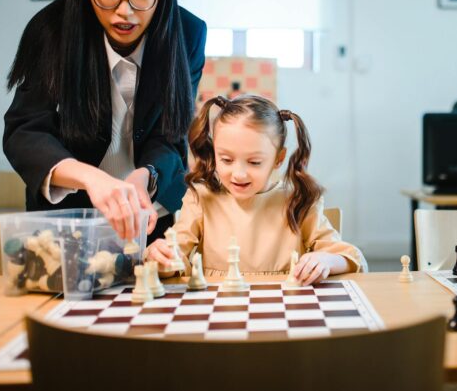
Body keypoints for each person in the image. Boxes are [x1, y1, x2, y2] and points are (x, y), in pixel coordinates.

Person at [4, 0, 207, 244]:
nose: (124, 12)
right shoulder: (52, 31)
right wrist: (91, 178)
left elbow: (171, 134)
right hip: (67, 218)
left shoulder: (187, 34)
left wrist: (146, 176)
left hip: (146, 213)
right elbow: (25, 130)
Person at [146, 95, 366, 285]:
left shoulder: (298, 200)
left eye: (254, 162)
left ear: (279, 159)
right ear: (214, 152)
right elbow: (174, 262)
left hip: (285, 312)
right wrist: (161, 258)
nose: (239, 173)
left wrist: (327, 260)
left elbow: (352, 258)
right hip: (219, 313)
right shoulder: (202, 197)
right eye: (226, 159)